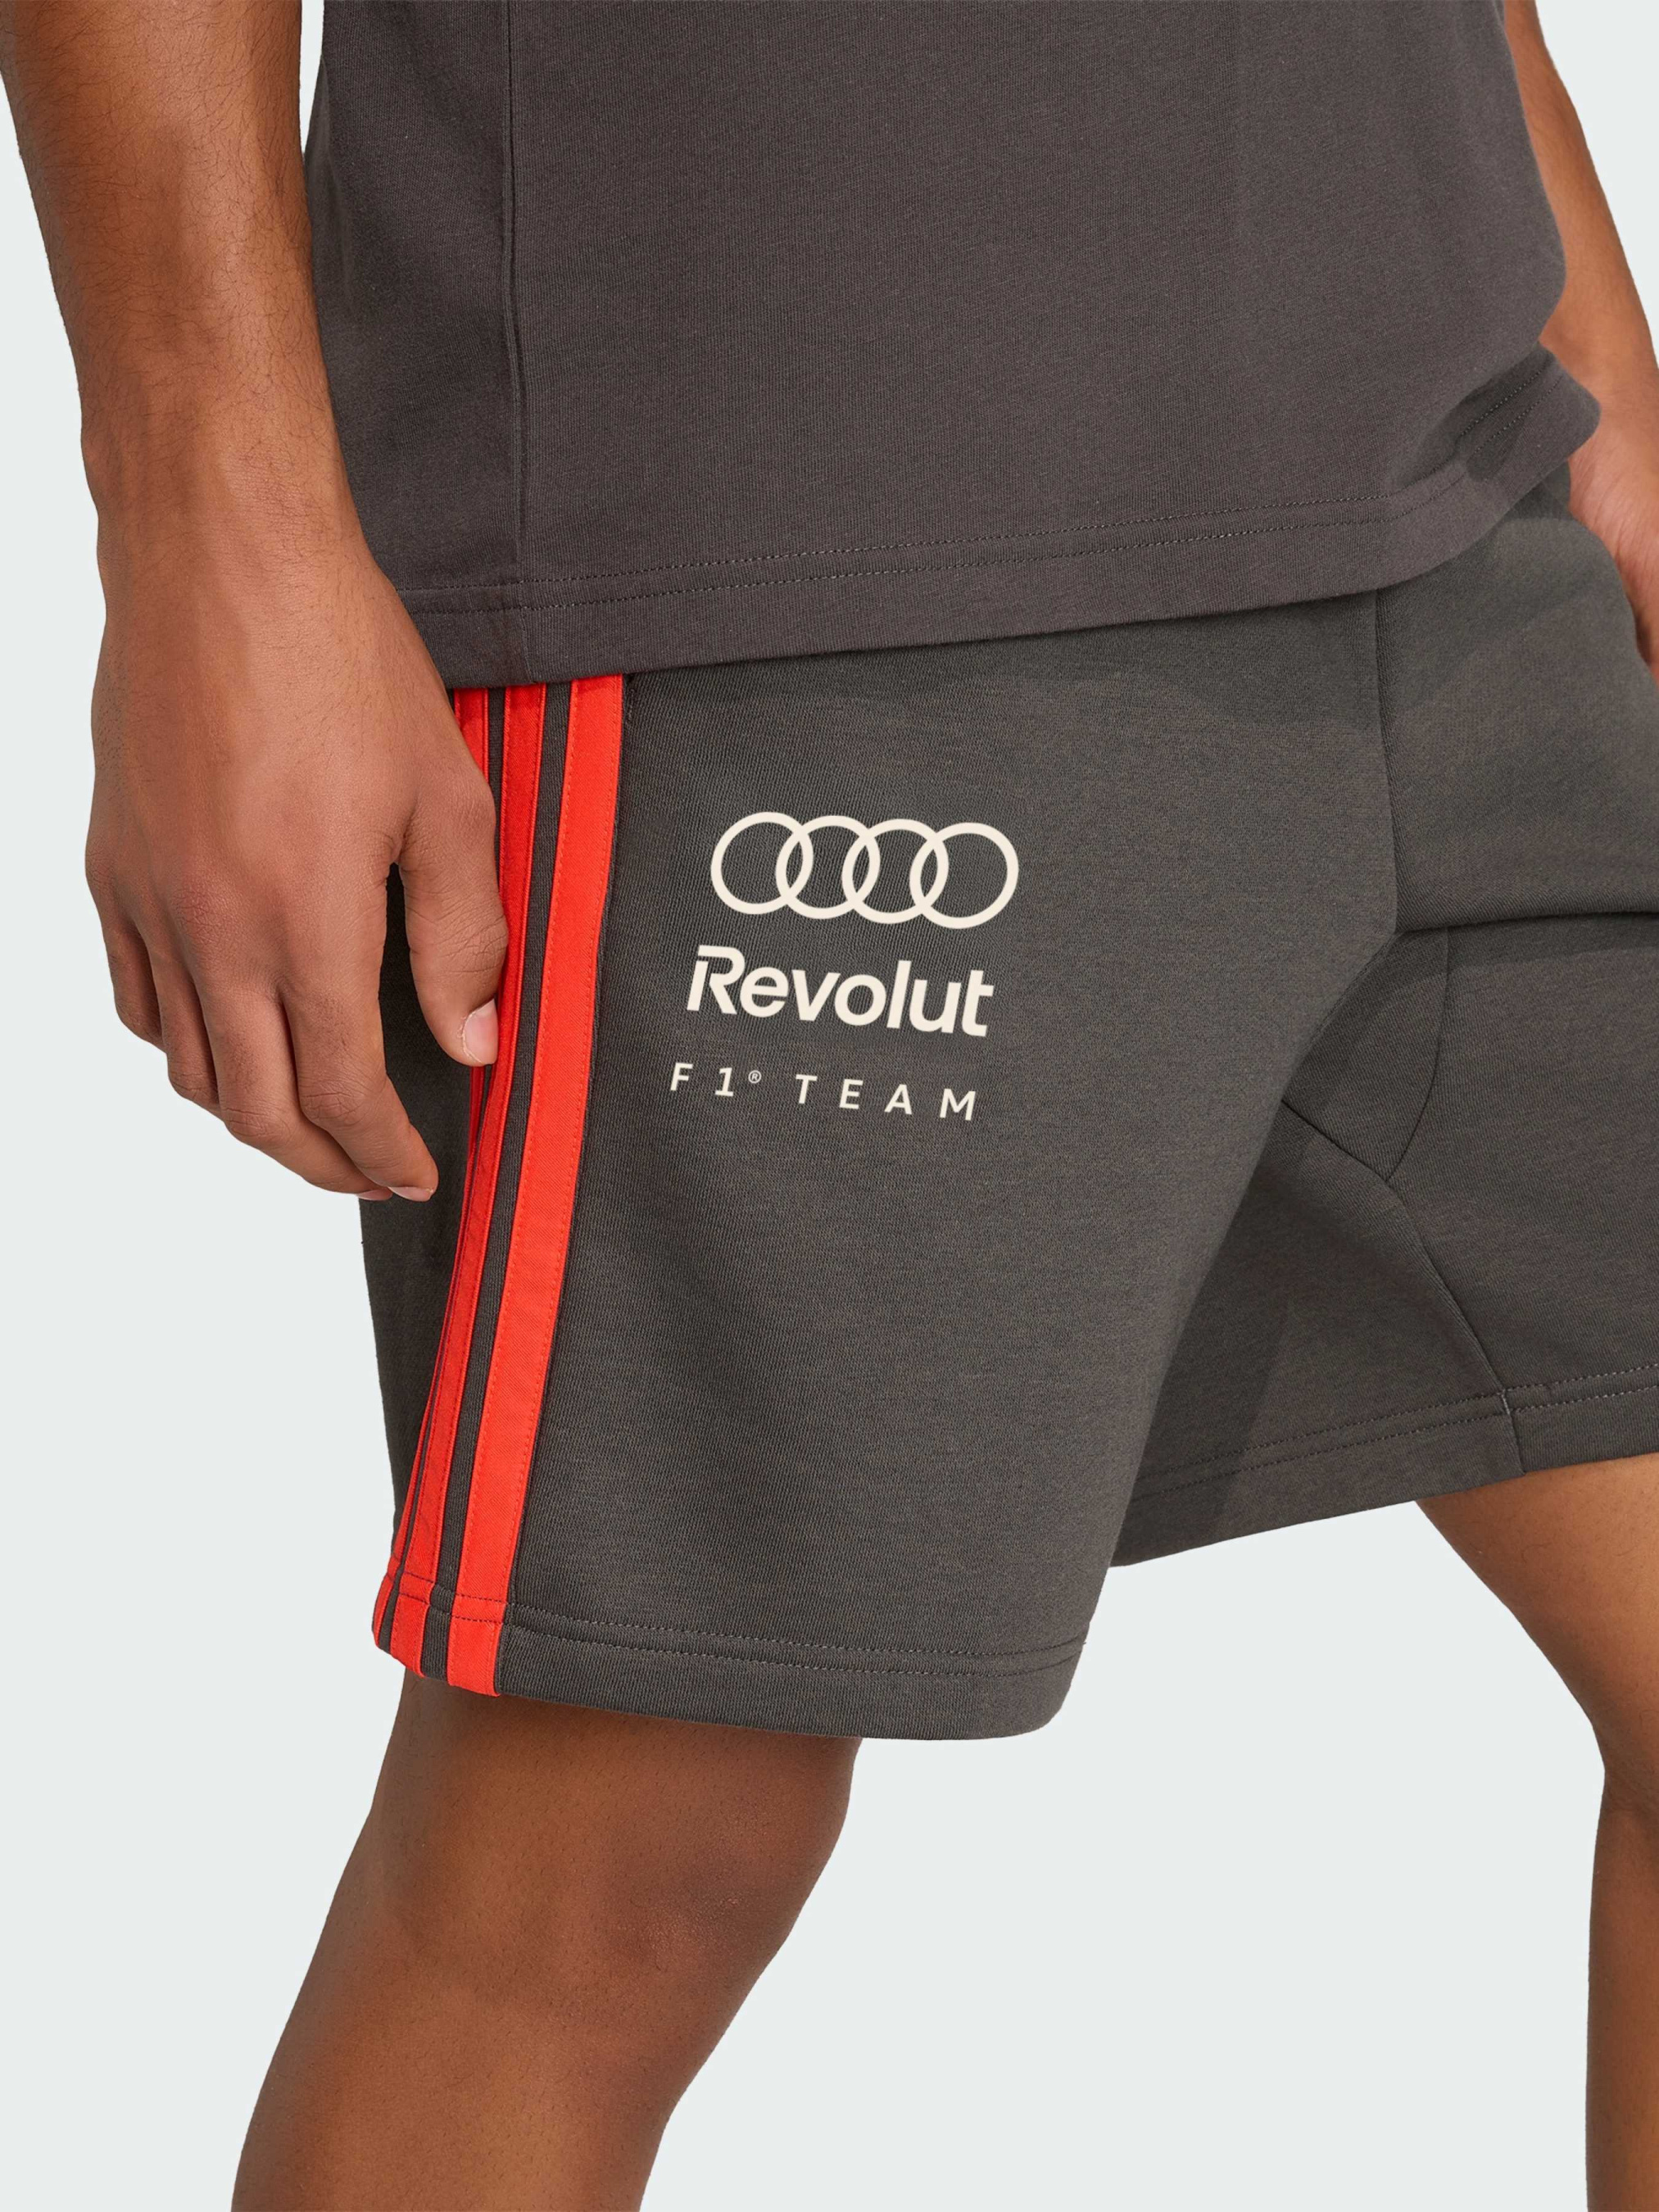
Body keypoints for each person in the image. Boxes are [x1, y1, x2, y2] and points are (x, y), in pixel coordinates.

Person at [4, 2, 1657, 2205]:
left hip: (1457, 483)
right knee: (622, 1854)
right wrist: (210, 532)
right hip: (776, 529)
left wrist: (1582, 312)